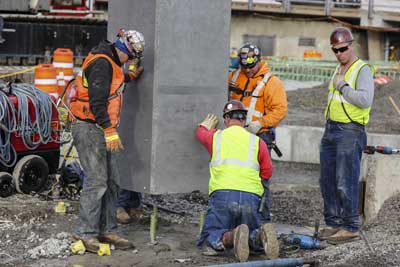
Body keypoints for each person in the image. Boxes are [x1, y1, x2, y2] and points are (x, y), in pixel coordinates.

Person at [69, 28, 145, 253]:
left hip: (101, 128)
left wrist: (129, 77)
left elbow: (109, 88)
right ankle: (85, 232)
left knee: (112, 179)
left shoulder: (111, 62)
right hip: (90, 127)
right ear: (124, 50)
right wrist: (110, 129)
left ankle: (107, 229)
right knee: (97, 180)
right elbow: (97, 102)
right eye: (131, 57)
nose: (131, 61)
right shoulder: (102, 63)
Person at [195, 100, 279, 262]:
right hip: (251, 197)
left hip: (223, 195)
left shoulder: (216, 137)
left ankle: (231, 236)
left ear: (226, 119)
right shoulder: (257, 141)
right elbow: (267, 171)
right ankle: (259, 237)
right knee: (251, 232)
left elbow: (200, 134)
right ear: (244, 120)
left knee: (209, 238)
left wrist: (204, 126)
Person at [319, 27, 374, 244]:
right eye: (335, 50)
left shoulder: (362, 70)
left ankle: (350, 226)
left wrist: (342, 85)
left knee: (345, 179)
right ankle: (333, 223)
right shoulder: (339, 67)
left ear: (351, 46)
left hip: (350, 131)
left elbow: (364, 100)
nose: (339, 54)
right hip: (331, 129)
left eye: (343, 49)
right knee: (327, 180)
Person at [228, 43, 287, 223]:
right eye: (245, 67)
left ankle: (261, 222)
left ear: (259, 61)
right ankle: (236, 219)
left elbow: (280, 110)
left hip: (259, 136)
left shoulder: (271, 82)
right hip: (236, 136)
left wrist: (259, 124)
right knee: (235, 176)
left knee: (260, 180)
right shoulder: (234, 76)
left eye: (252, 67)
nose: (248, 71)